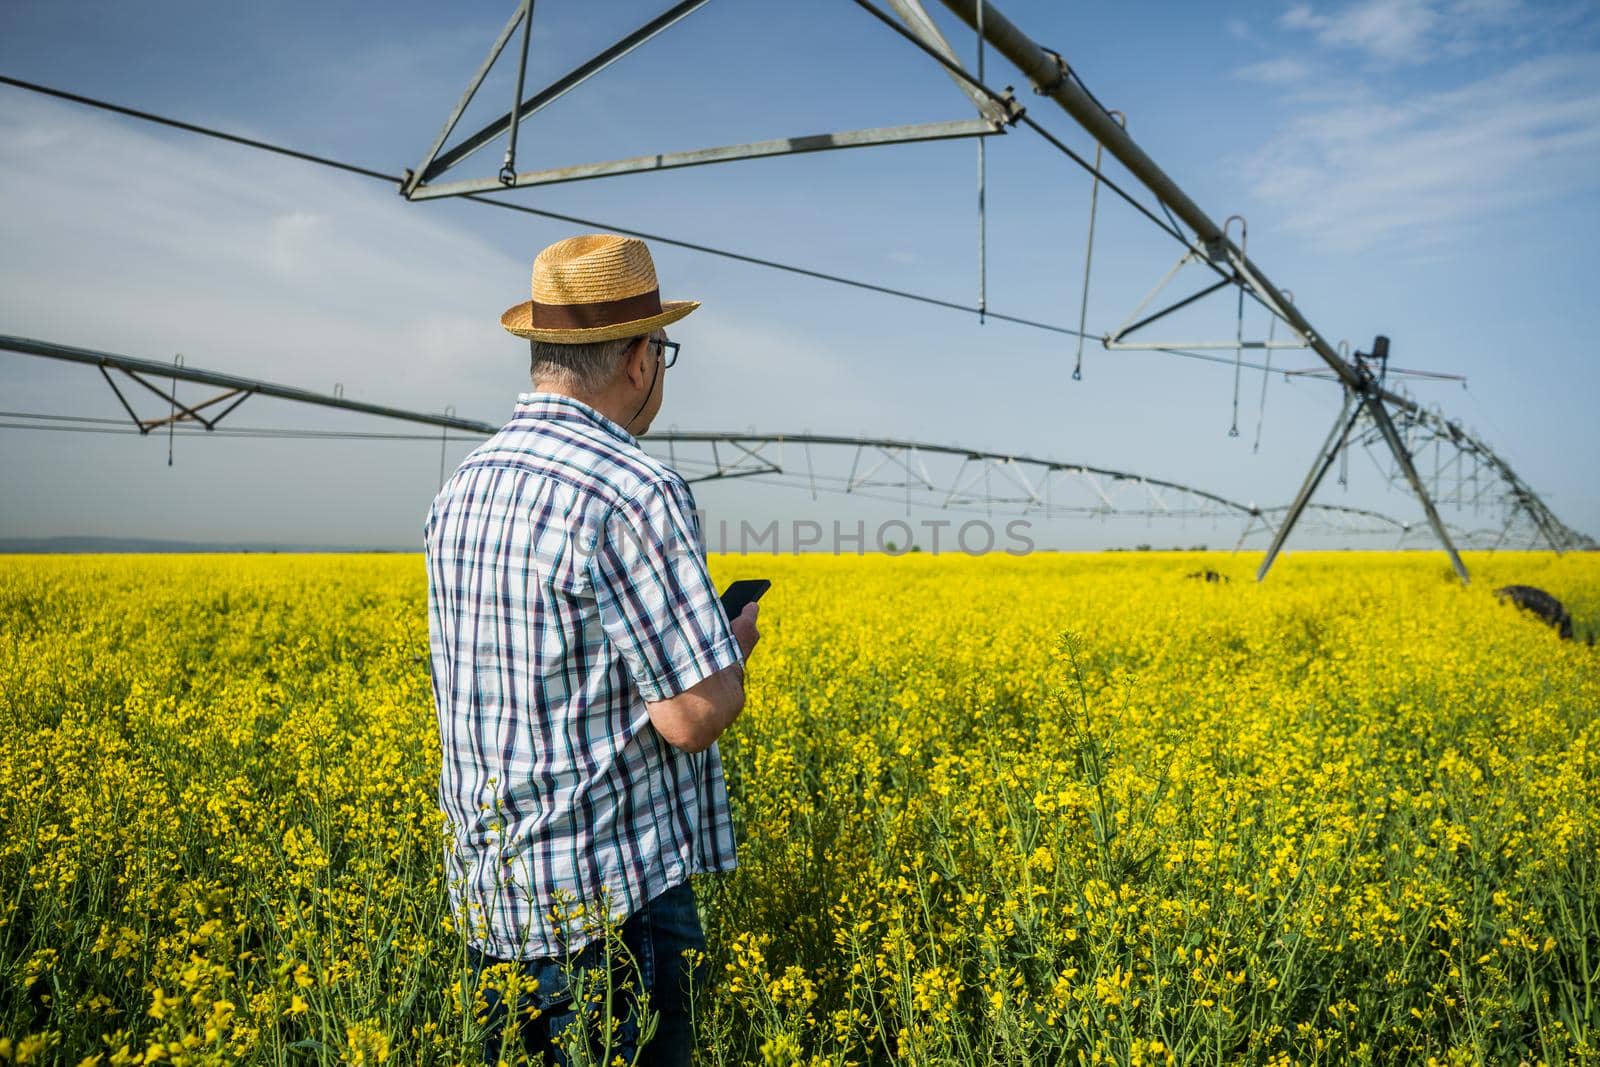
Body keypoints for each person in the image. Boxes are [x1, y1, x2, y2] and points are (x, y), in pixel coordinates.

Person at [422, 233, 760, 1065]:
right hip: (606, 908)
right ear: (642, 360)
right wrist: (731, 648)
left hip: (491, 899)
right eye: (661, 350)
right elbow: (692, 715)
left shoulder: (464, 483)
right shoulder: (633, 489)